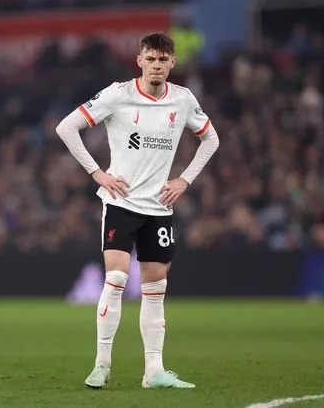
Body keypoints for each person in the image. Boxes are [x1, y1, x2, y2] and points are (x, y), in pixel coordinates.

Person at [56, 32, 219, 389]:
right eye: (151, 59)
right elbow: (66, 127)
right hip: (121, 203)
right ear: (139, 60)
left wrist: (185, 180)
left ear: (172, 63)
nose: (157, 65)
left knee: (156, 287)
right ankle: (101, 365)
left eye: (163, 60)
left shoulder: (184, 99)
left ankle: (153, 372)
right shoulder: (119, 95)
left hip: (159, 208)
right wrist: (98, 173)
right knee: (115, 281)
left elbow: (211, 138)